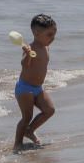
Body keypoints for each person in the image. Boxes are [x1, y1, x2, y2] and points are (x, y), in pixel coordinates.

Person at [13, 14, 58, 152]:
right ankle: (17, 144)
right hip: (25, 88)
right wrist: (27, 54)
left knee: (49, 110)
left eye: (54, 34)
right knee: (27, 117)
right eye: (49, 34)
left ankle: (29, 131)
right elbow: (24, 65)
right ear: (36, 33)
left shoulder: (46, 47)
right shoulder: (30, 48)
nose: (53, 38)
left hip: (38, 88)